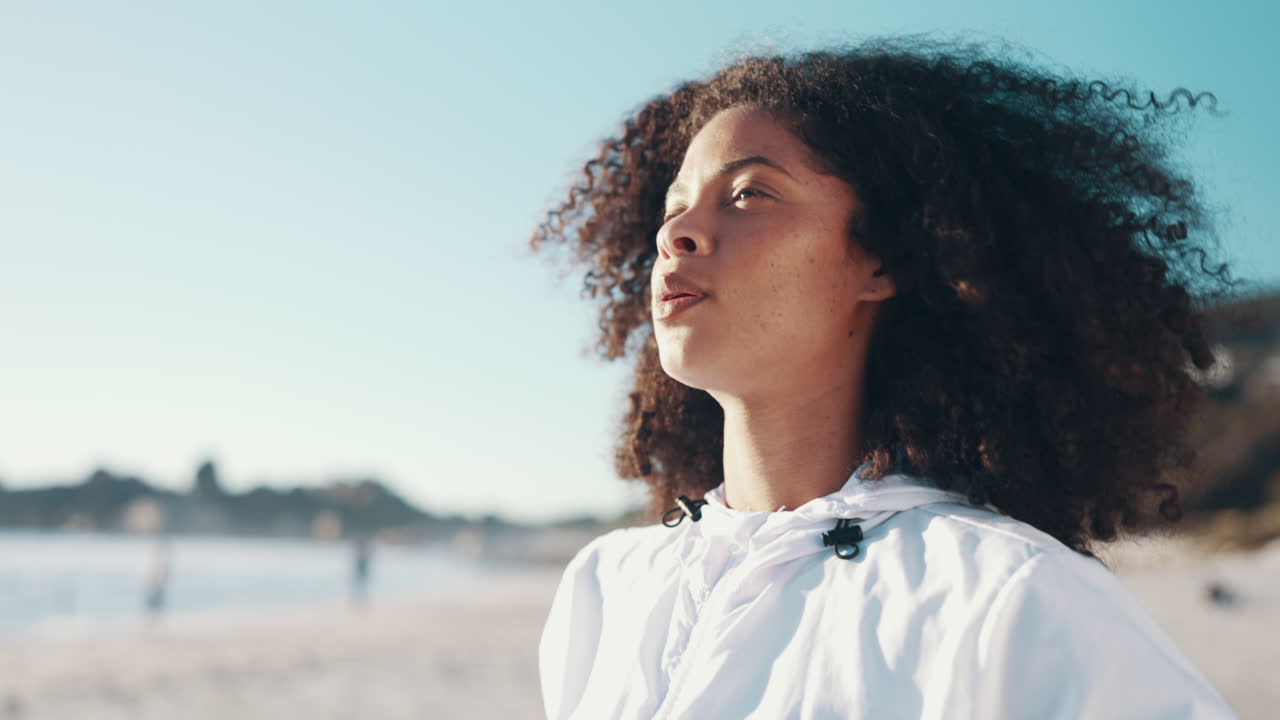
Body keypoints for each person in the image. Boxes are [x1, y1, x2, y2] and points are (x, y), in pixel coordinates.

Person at [531, 37, 1241, 719]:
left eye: (749, 193)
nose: (676, 233)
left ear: (882, 261)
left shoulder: (1006, 598)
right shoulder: (610, 587)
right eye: (671, 206)